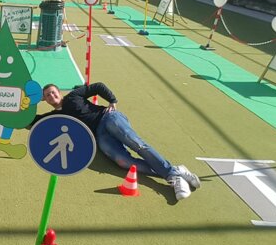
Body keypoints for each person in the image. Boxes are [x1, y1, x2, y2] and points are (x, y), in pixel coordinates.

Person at [32, 83, 200, 201]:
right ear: (44, 100)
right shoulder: (54, 117)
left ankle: (172, 175)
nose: (51, 96)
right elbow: (33, 120)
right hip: (100, 136)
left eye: (53, 92)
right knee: (123, 162)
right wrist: (21, 107)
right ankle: (176, 171)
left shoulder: (73, 96)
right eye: (47, 95)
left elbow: (98, 86)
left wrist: (112, 100)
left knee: (137, 144)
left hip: (108, 118)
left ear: (59, 92)